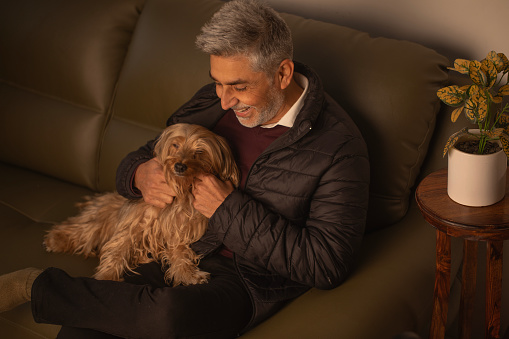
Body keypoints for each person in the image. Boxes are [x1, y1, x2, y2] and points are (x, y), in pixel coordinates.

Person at [0, 0, 370, 338]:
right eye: (218, 83)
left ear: (283, 74)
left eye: (238, 87)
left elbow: (326, 265)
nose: (224, 100)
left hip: (242, 275)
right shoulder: (215, 100)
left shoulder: (338, 149)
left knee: (168, 317)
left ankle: (33, 286)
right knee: (83, 331)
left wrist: (228, 209)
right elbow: (148, 153)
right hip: (168, 238)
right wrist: (138, 174)